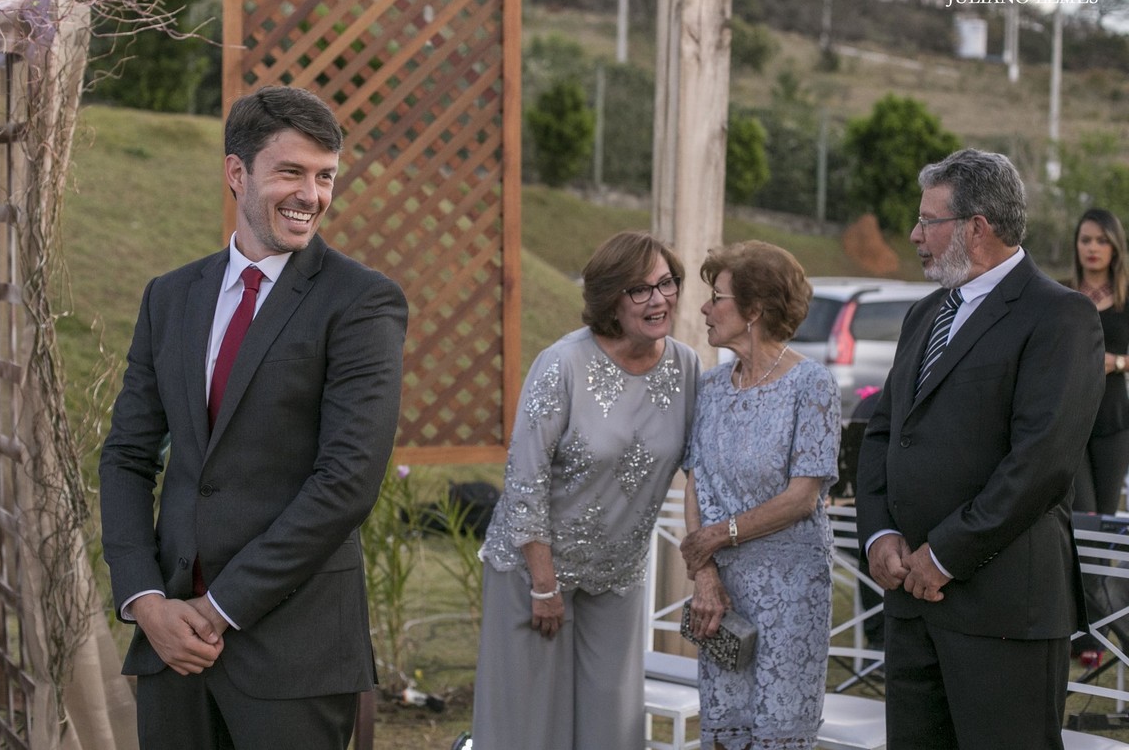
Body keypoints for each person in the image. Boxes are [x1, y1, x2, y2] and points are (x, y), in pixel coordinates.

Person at [99, 85, 408, 750]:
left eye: (325, 177)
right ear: (237, 173)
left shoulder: (362, 303)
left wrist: (218, 608)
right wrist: (147, 601)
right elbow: (126, 455)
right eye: (291, 171)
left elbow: (347, 481)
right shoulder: (171, 297)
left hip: (293, 654)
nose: (312, 194)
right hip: (170, 647)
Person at [854, 148, 1105, 749]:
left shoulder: (1059, 317)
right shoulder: (923, 315)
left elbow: (1039, 463)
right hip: (912, 608)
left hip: (1000, 613)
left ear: (976, 227)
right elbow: (885, 432)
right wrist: (880, 534)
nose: (914, 235)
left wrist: (943, 555)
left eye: (927, 221)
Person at [471, 230, 700, 750]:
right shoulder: (562, 364)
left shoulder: (687, 366)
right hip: (532, 572)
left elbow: (699, 472)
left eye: (667, 283)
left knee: (611, 730)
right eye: (640, 290)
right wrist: (544, 584)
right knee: (526, 731)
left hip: (616, 579)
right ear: (610, 300)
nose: (659, 299)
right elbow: (524, 480)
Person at [680, 240, 842, 750]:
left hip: (791, 594)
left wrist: (717, 537)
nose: (705, 308)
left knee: (777, 736)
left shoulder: (811, 385)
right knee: (725, 734)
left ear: (753, 310)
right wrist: (705, 574)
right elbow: (695, 482)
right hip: (721, 598)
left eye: (717, 297)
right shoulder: (708, 388)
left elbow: (802, 498)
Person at [1068, 208, 1129, 516]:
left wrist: (1117, 362)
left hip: (1112, 420)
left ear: (1115, 246)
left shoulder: (1125, 297)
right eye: (1086, 240)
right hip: (1067, 420)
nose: (1092, 248)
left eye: (1102, 241)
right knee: (1080, 515)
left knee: (1103, 519)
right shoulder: (1060, 293)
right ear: (1076, 245)